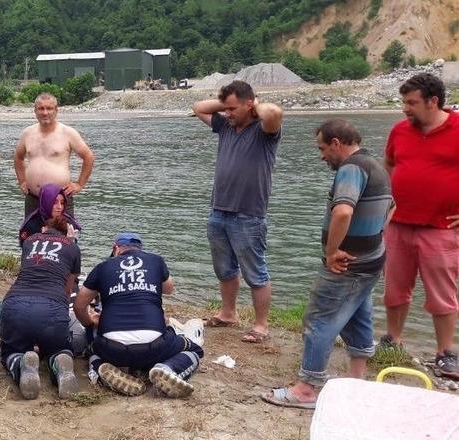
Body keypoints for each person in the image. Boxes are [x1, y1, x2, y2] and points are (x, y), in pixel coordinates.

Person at [263, 119, 393, 409]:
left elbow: (343, 212)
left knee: (318, 319)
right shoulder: (376, 166)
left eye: (322, 148)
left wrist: (333, 251)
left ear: (336, 143)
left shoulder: (352, 168)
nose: (322, 155)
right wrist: (375, 242)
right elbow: (391, 209)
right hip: (371, 260)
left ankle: (307, 388)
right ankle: (357, 379)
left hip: (347, 265)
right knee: (359, 312)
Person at [377, 73, 459, 378]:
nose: (404, 108)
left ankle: (445, 353)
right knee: (394, 289)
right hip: (398, 224)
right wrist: (389, 197)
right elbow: (388, 164)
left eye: (410, 102)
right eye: (403, 102)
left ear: (433, 101)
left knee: (441, 293)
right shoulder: (400, 131)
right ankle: (392, 340)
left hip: (440, 228)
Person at [192, 80, 284, 343]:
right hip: (219, 209)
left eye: (233, 109)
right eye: (225, 108)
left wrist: (254, 105)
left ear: (249, 104)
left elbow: (274, 113)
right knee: (224, 268)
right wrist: (227, 104)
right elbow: (199, 107)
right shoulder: (225, 127)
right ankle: (228, 313)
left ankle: (261, 325)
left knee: (255, 271)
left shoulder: (265, 132)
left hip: (248, 213)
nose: (227, 114)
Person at [74, 233, 203, 398]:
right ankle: (168, 368)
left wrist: (91, 322)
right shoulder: (155, 261)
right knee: (194, 349)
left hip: (112, 349)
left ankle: (99, 369)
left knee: (92, 347)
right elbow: (169, 289)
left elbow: (79, 306)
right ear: (140, 248)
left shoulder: (103, 267)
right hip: (155, 346)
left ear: (115, 248)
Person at [1, 216, 81, 400]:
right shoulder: (73, 247)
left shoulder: (29, 240)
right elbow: (68, 289)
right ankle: (59, 361)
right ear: (66, 233)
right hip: (52, 308)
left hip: (16, 304)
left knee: (11, 350)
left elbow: (28, 269)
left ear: (44, 229)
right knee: (58, 346)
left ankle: (21, 364)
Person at [14, 93, 94, 217]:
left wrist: (79, 184)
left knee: (63, 235)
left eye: (49, 108)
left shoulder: (68, 133)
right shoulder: (27, 133)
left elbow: (88, 157)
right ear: (35, 111)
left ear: (56, 110)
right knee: (30, 235)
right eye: (41, 108)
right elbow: (18, 157)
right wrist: (22, 181)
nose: (45, 113)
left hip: (60, 201)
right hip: (33, 199)